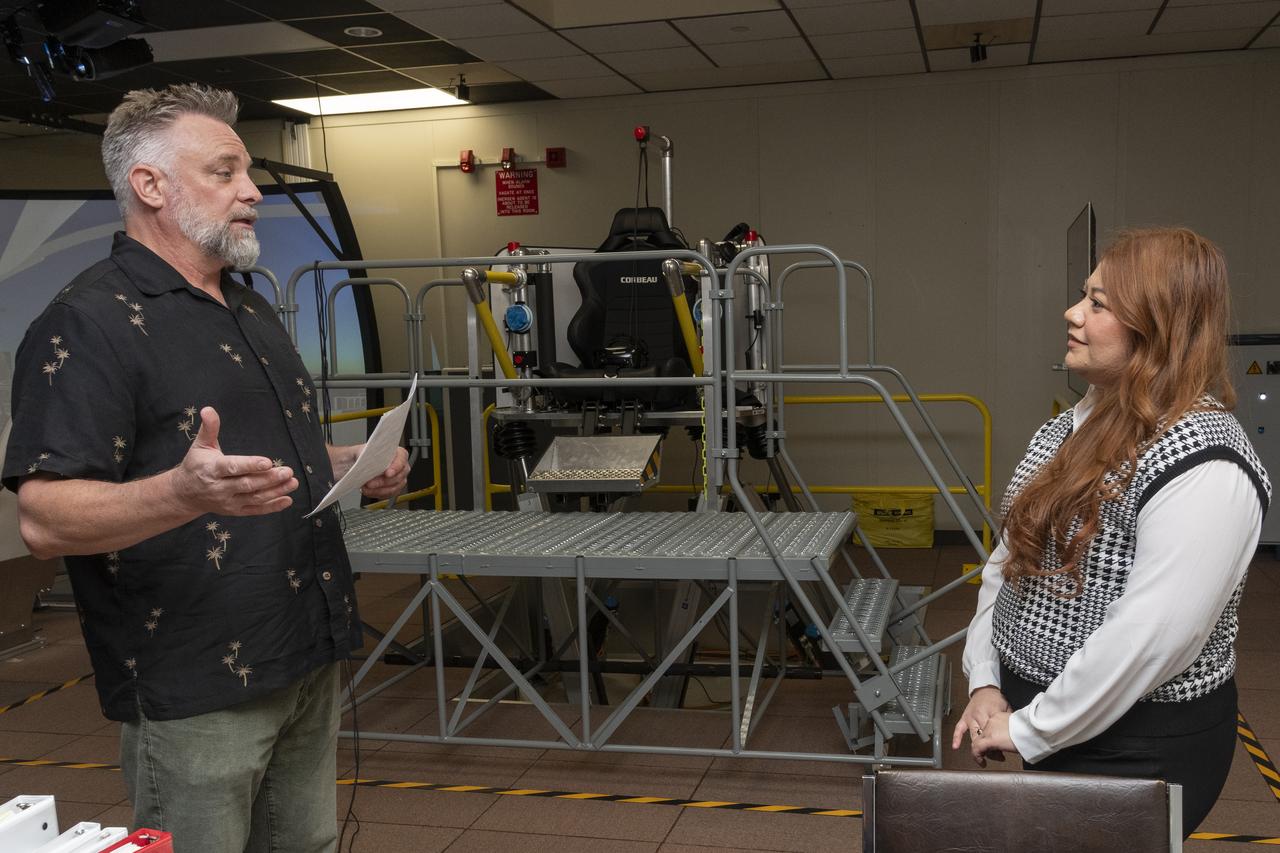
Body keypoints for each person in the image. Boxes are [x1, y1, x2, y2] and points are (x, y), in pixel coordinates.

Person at [2, 84, 409, 852]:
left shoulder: (247, 306)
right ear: (150, 186)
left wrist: (344, 463)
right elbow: (45, 517)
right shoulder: (86, 323)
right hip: (197, 681)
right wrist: (182, 492)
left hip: (304, 647)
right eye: (224, 171)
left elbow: (248, 456)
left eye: (246, 172)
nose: (251, 191)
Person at [952, 227, 1270, 837]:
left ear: (1159, 330)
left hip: (1138, 751)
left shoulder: (1205, 464)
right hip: (1051, 723)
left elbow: (1149, 638)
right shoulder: (1073, 426)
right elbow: (1009, 561)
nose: (1071, 313)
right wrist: (987, 678)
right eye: (1083, 296)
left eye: (1098, 304)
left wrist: (1027, 728)